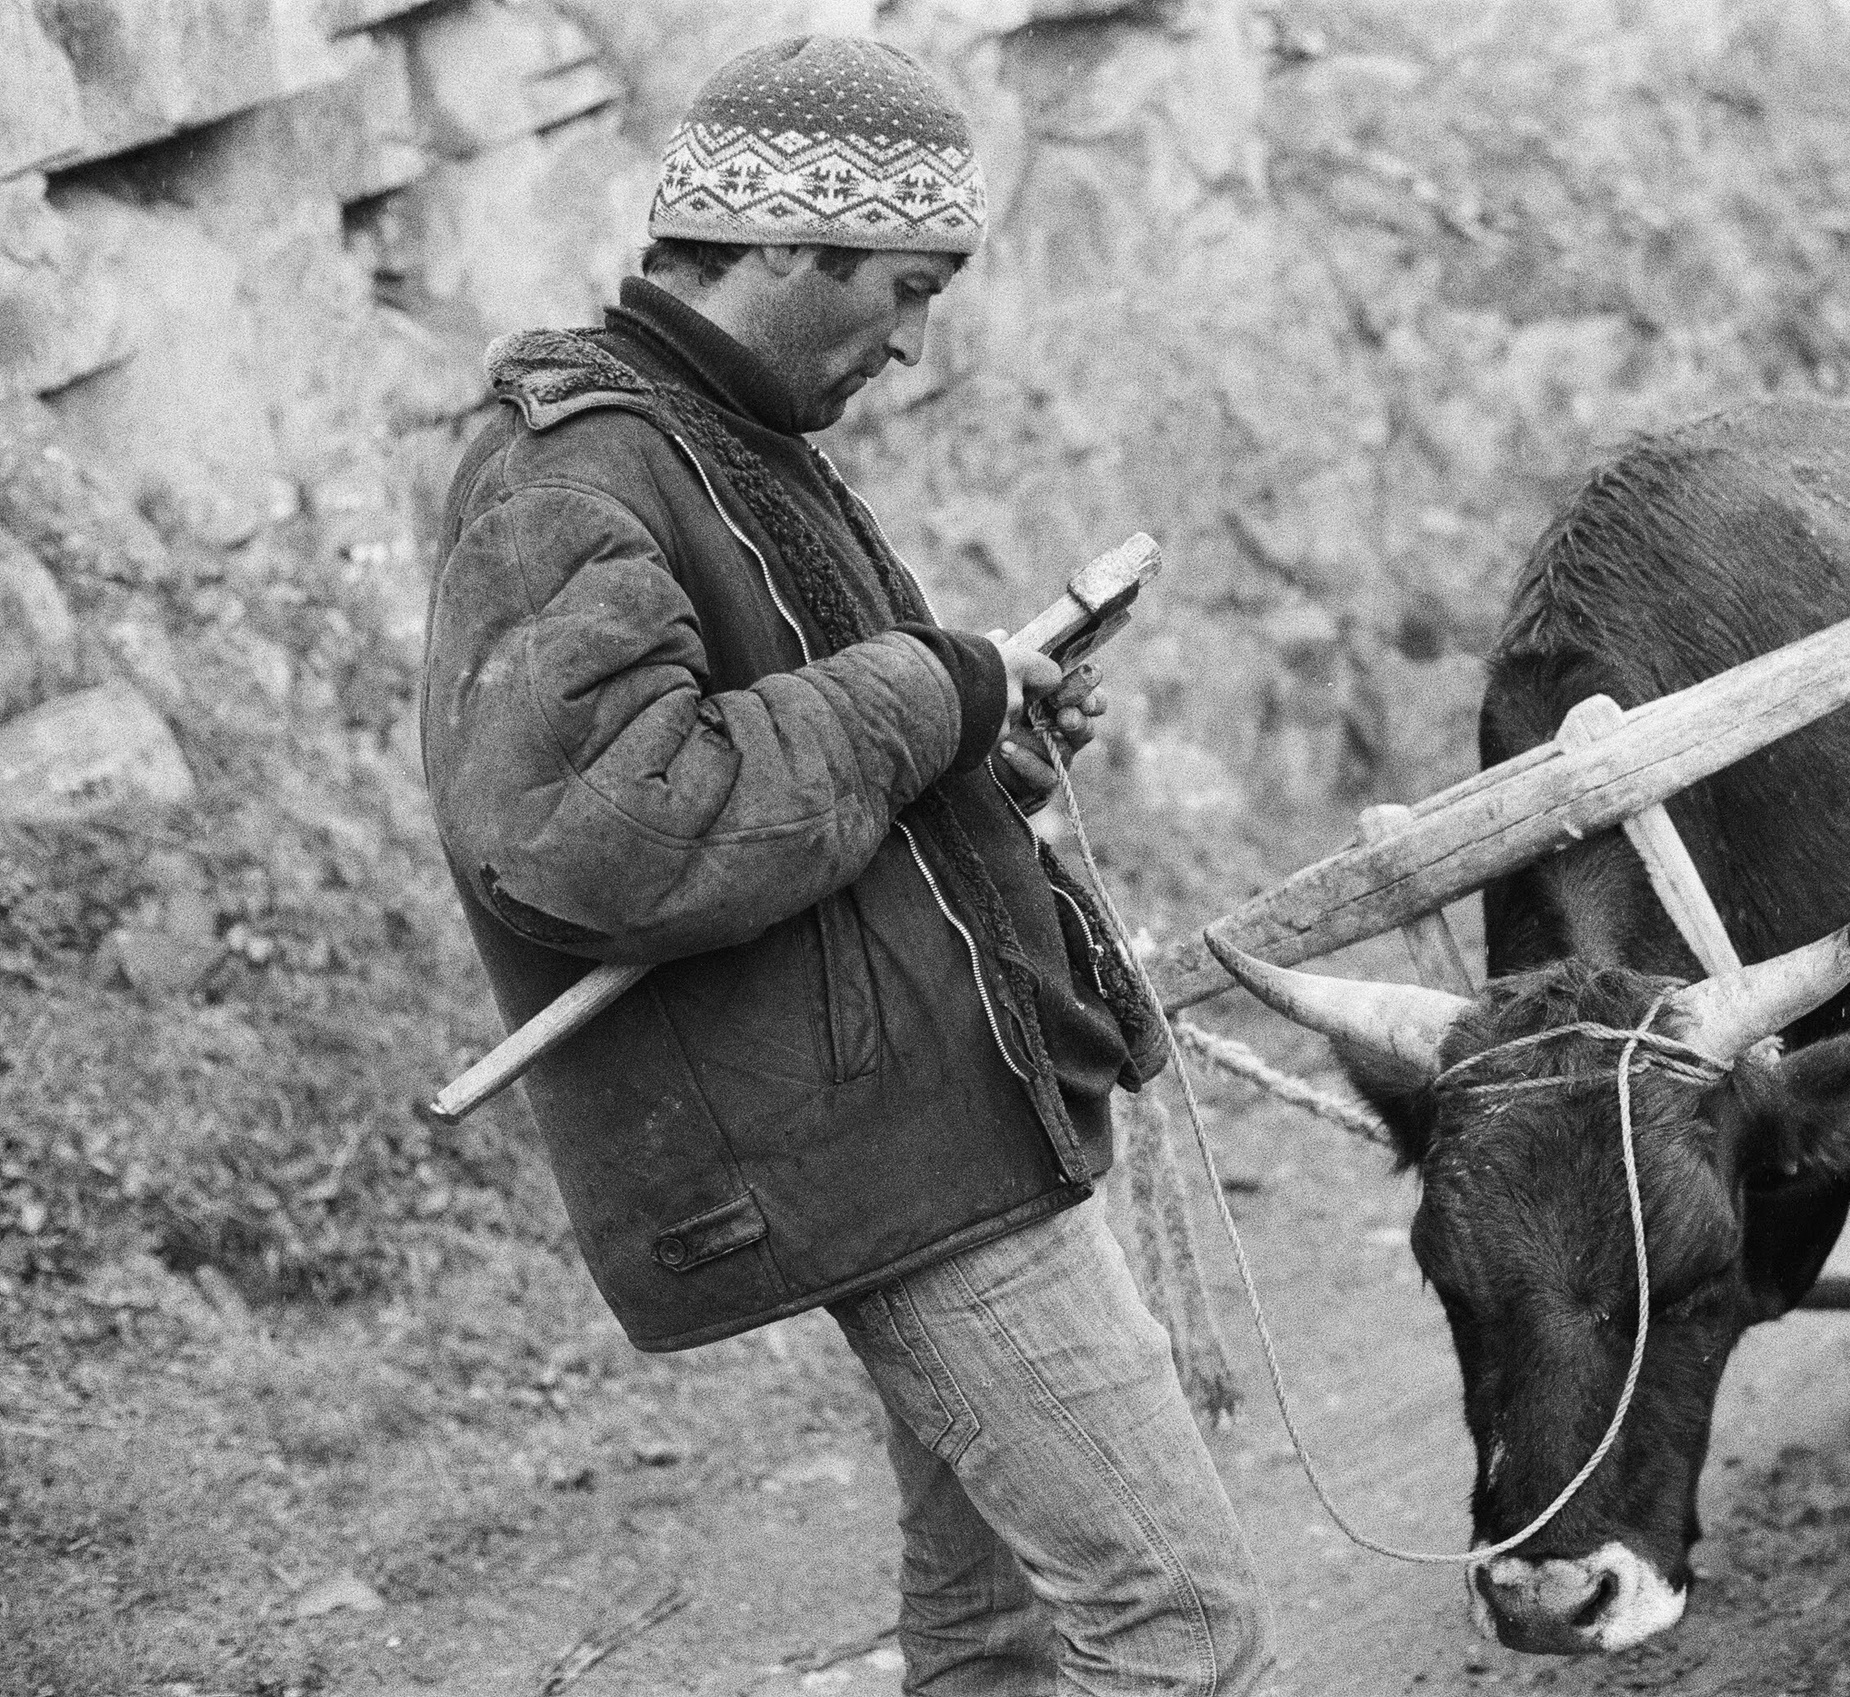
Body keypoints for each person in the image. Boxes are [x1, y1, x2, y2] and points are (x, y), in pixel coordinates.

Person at [419, 35, 1270, 1695]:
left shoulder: (712, 437)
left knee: (996, 1628)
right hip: (880, 1157)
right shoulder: (569, 472)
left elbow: (777, 781)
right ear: (782, 244)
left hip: (940, 1122)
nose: (913, 337)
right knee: (1182, 1622)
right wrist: (918, 688)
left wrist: (978, 751)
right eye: (901, 284)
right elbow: (603, 832)